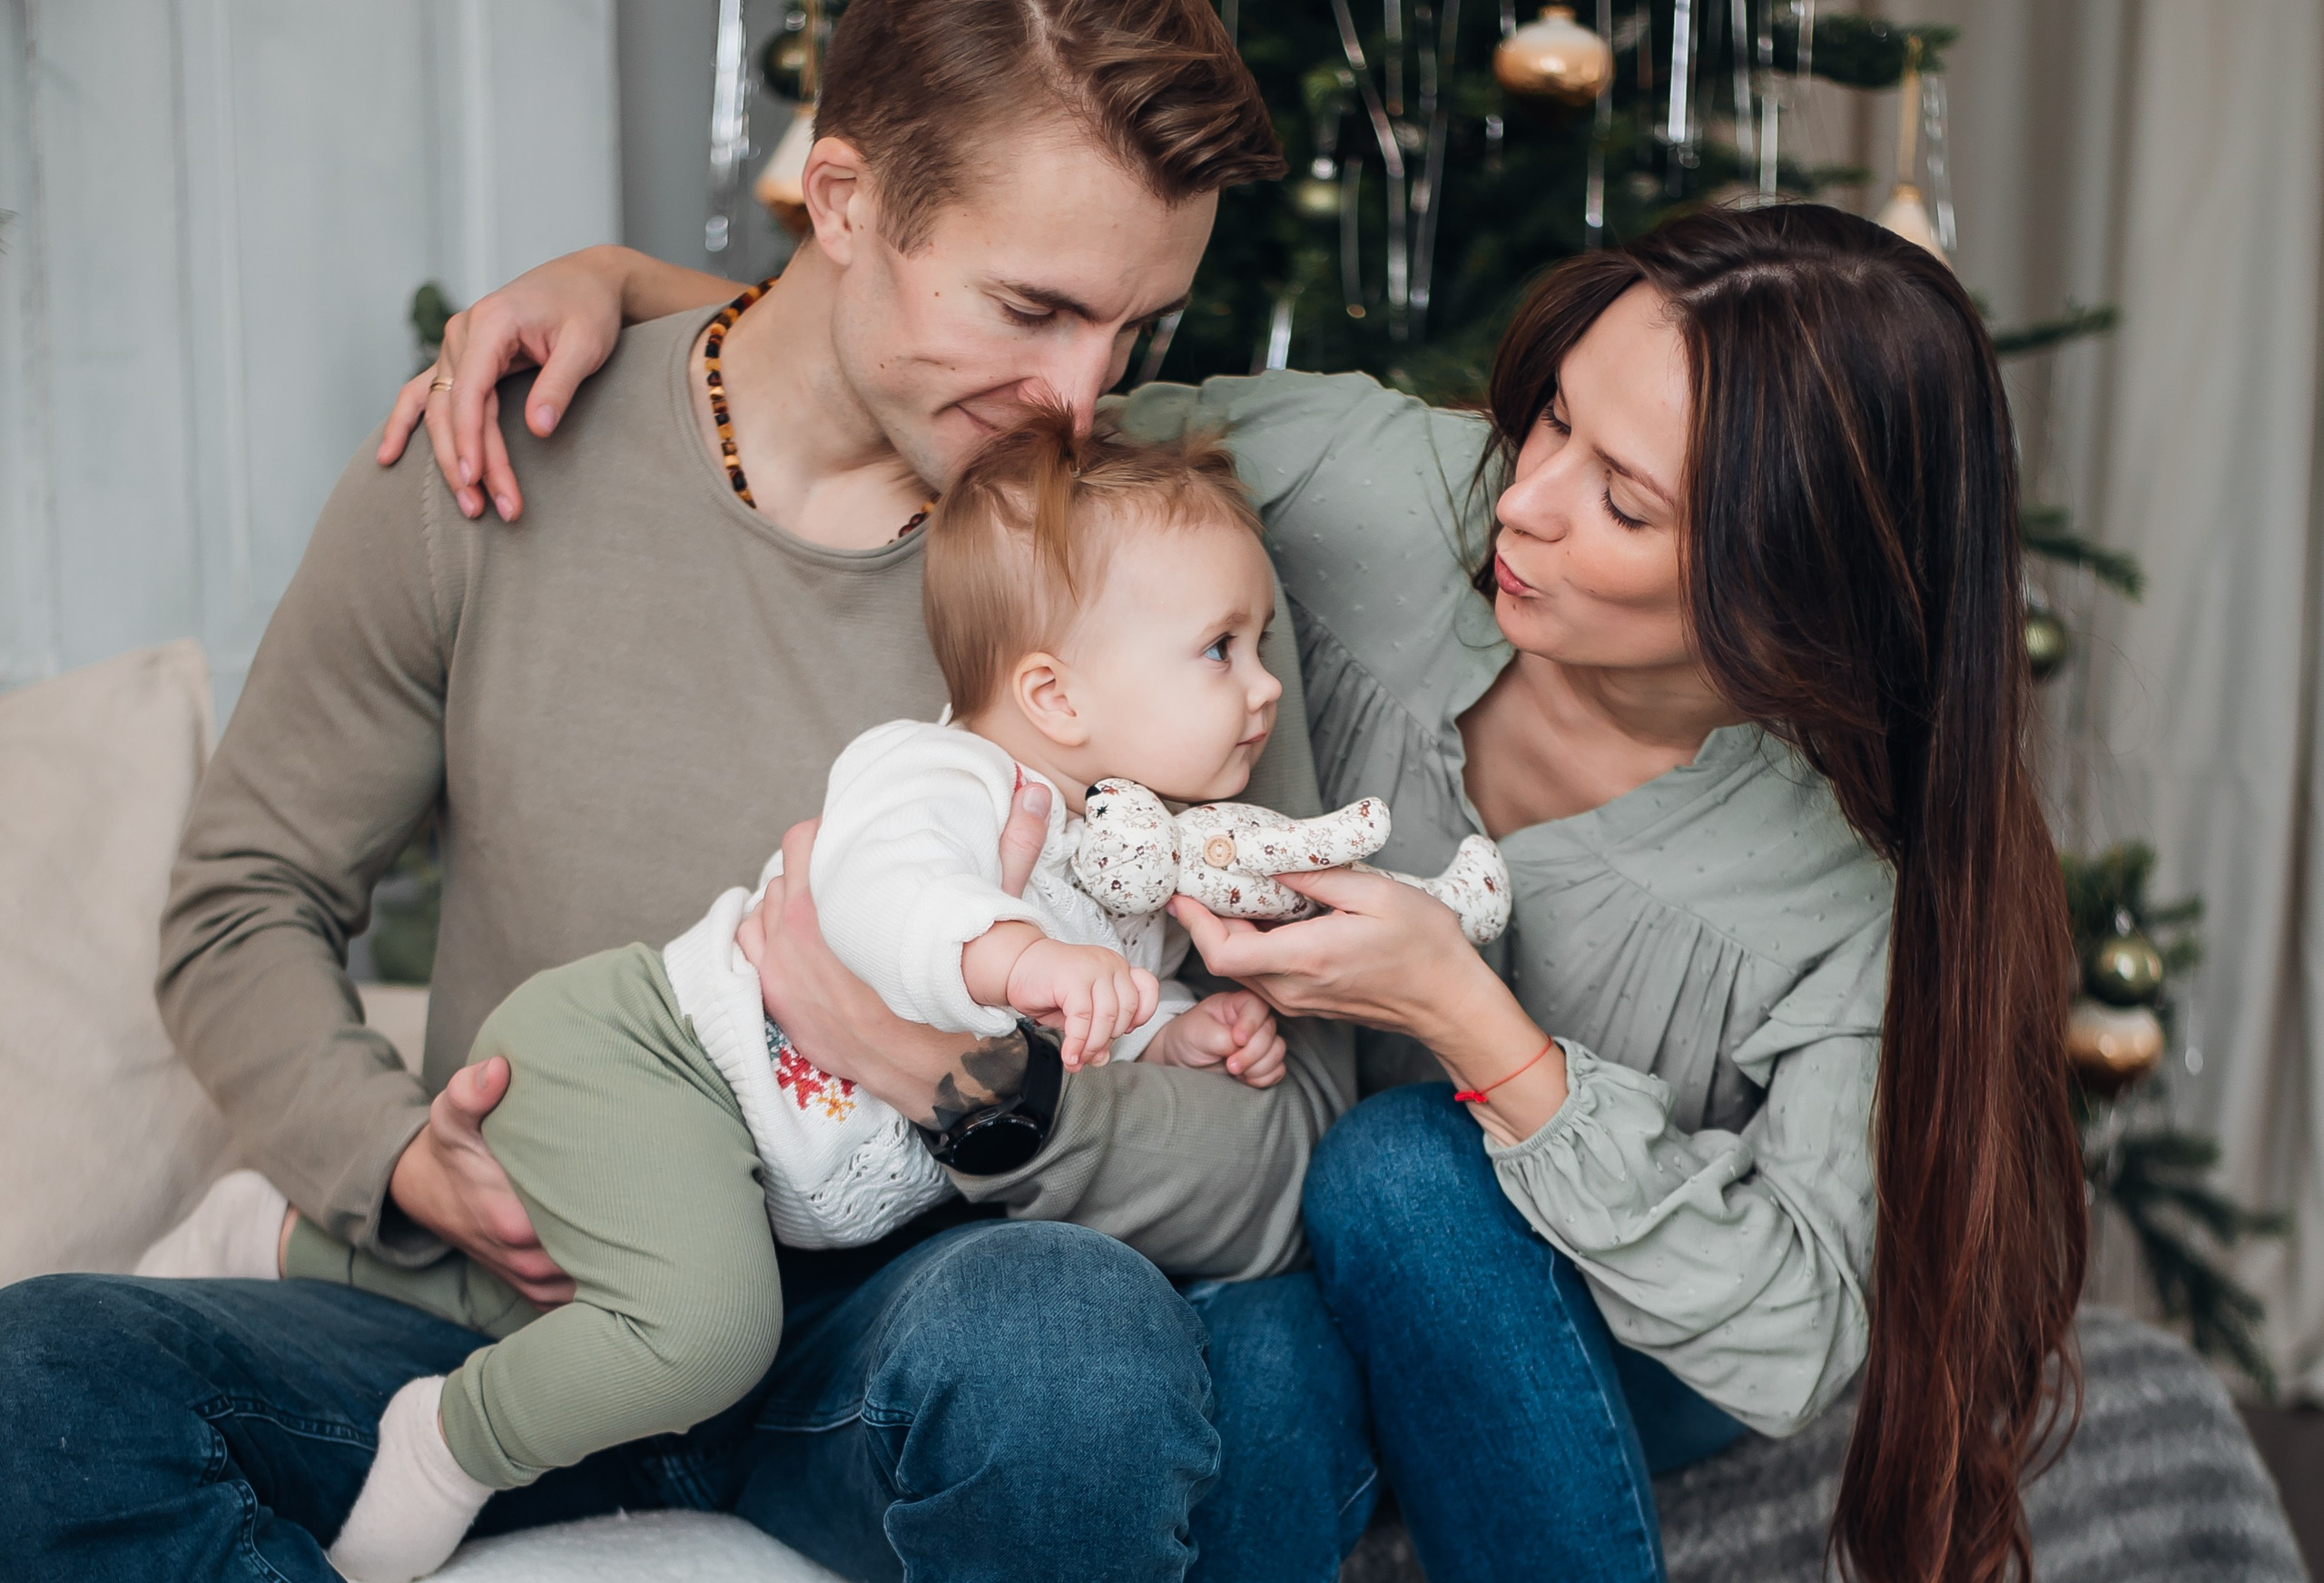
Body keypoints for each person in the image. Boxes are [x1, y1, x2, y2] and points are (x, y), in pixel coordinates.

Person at [429, 202, 2088, 1583]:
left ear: (1788, 575)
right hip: (1273, 1246)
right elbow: (1016, 451)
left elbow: (1800, 1341)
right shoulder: (1384, 495)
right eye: (1556, 416)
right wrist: (643, 295)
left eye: (1623, 500)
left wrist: (1464, 1014)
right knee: (1273, 1343)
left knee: (1407, 1171)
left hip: (1591, 1339)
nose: (1524, 497)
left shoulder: (1835, 895)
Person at [0, 5, 1386, 1581]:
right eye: (1034, 309)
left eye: (1136, 329)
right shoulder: (494, 464)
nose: (1082, 400)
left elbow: (1284, 1165)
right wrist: (396, 1161)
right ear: (848, 201)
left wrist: (958, 1084)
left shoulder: (1149, 582)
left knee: (1069, 1343)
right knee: (38, 1387)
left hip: (872, 1362)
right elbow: (241, 901)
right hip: (496, 1321)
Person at [136, 414, 1305, 1583]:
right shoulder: (944, 772)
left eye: (1259, 645)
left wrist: (1176, 1031)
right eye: (1222, 648)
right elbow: (881, 895)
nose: (1263, 687)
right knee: (698, 1335)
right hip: (647, 1053)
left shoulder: (1121, 861)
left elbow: (1092, 1020)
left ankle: (279, 1238)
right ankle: (445, 1442)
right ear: (1052, 693)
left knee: (626, 1307)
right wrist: (1018, 961)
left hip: (735, 1158)